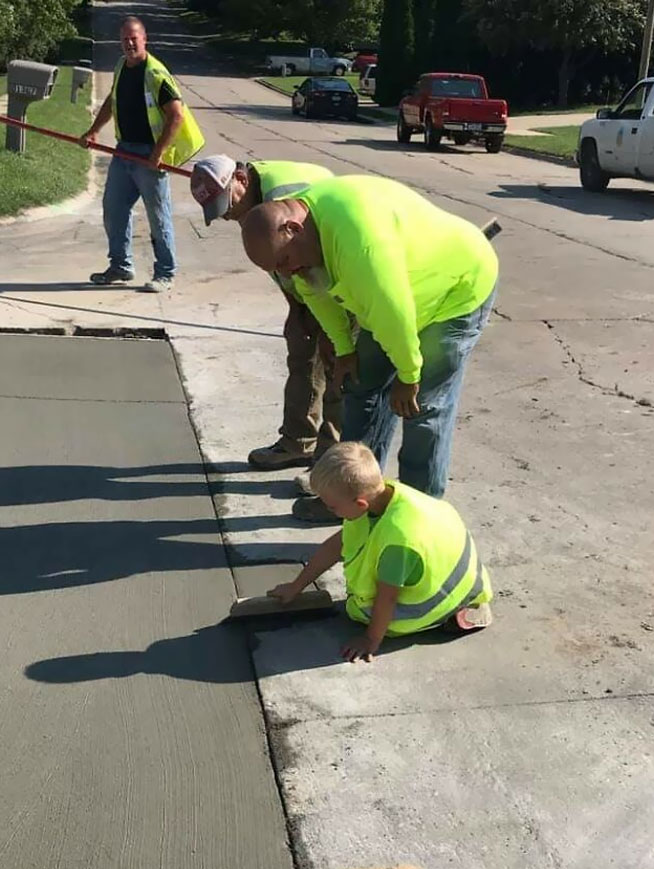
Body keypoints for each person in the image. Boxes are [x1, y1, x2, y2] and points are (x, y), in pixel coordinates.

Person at [240, 175, 498, 524]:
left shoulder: (360, 243)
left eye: (284, 261)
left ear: (293, 229)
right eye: (276, 269)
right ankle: (349, 498)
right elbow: (317, 294)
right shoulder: (303, 236)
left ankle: (419, 519)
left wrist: (408, 376)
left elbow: (393, 312)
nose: (287, 273)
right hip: (397, 297)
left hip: (455, 290)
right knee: (359, 385)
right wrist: (345, 350)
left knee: (423, 408)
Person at [269, 442, 492, 663]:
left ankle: (451, 615)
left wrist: (371, 639)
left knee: (359, 611)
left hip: (434, 601)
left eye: (332, 506)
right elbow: (335, 546)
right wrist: (295, 586)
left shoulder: (398, 540)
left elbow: (388, 597)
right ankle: (465, 604)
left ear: (360, 504)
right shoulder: (386, 493)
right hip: (463, 579)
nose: (330, 510)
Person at [190, 154, 342, 471]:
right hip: (308, 281)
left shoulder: (283, 198)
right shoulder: (253, 203)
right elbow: (281, 266)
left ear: (241, 180)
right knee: (301, 347)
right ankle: (298, 442)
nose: (228, 216)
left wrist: (330, 328)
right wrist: (296, 309)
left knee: (338, 364)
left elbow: (308, 265)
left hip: (336, 278)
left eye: (227, 205)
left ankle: (331, 463)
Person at [81, 15, 204, 292]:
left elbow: (176, 116)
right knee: (113, 210)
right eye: (124, 39)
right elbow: (112, 101)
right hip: (124, 151)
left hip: (149, 155)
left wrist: (159, 153)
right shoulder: (121, 66)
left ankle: (165, 273)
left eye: (133, 38)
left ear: (144, 39)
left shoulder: (156, 74)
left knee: (158, 216)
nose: (128, 43)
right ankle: (121, 267)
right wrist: (93, 131)